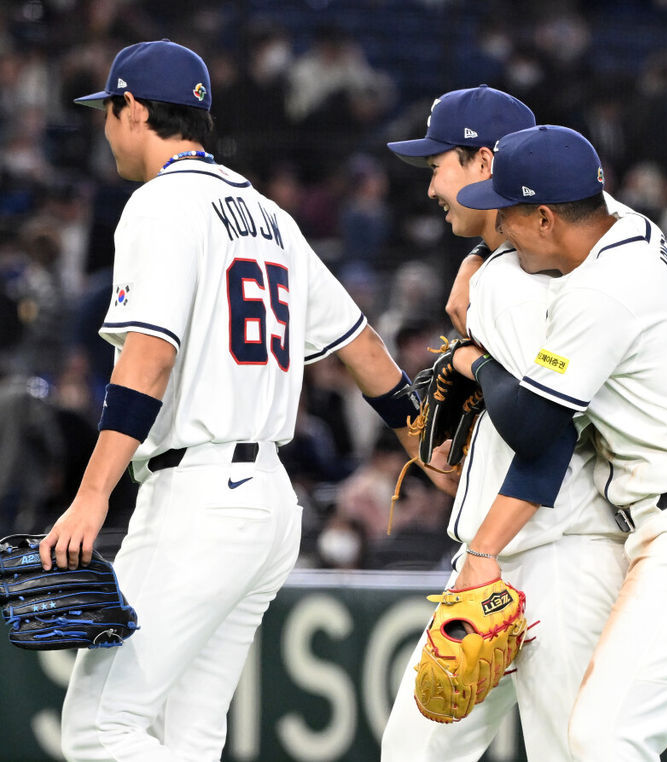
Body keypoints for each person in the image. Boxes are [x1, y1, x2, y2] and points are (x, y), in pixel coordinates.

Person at [45, 40, 429, 762]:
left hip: (199, 499)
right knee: (184, 739)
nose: (105, 128)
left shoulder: (159, 206)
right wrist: (428, 449)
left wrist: (92, 495)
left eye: (109, 111)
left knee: (101, 730)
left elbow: (148, 361)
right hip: (268, 504)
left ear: (133, 109)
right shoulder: (272, 217)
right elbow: (366, 350)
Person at [451, 124, 667, 761]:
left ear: (546, 218)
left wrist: (475, 358)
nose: (501, 230)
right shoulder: (634, 230)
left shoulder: (603, 289)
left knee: (602, 738)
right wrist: (475, 262)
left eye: (509, 215)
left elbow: (531, 426)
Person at [380, 85, 628, 761]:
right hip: (511, 554)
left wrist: (466, 360)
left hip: (560, 555)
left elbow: (547, 433)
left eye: (439, 163)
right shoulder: (502, 270)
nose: (431, 184)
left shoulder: (517, 281)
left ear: (484, 160)